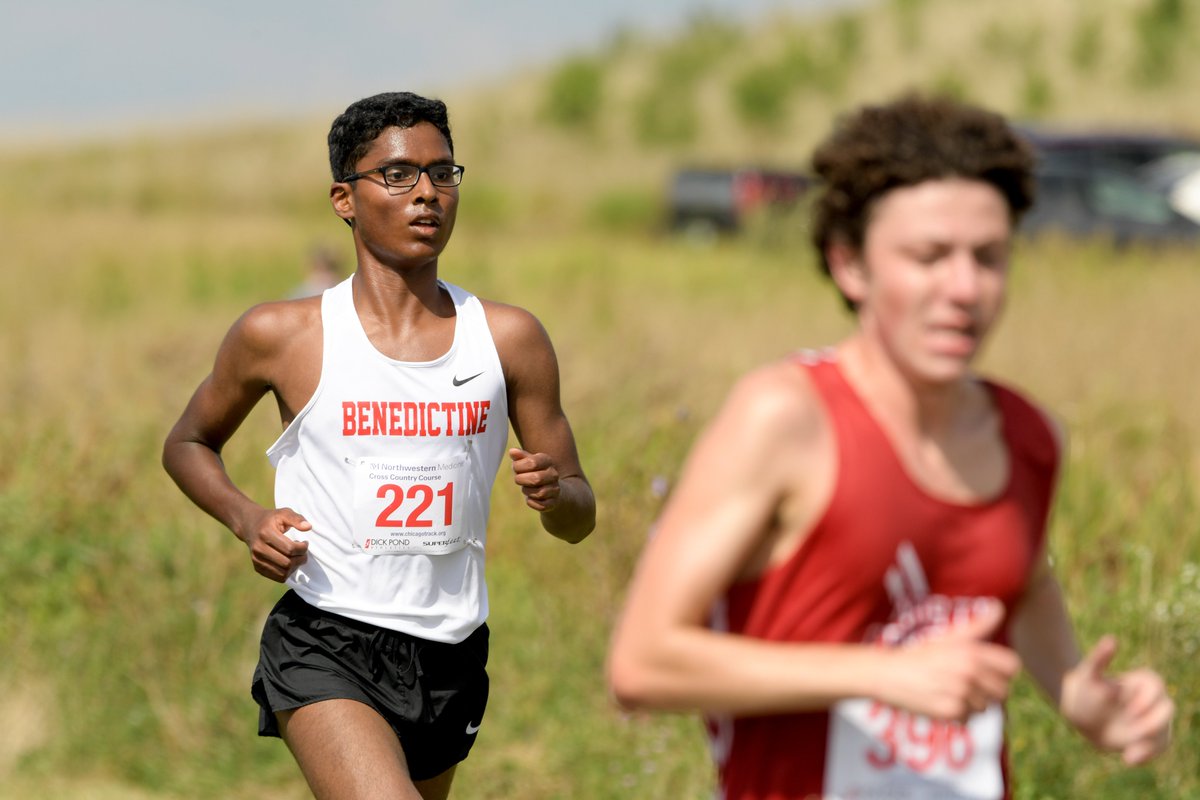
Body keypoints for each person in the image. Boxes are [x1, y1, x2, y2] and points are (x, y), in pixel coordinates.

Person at [606, 94, 1173, 799]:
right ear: (851, 266)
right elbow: (641, 664)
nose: (964, 289)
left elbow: (1014, 584)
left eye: (989, 258)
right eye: (929, 257)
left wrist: (1082, 700)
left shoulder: (1029, 436)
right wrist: (880, 673)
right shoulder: (786, 418)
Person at [163, 91, 595, 800]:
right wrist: (248, 519)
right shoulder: (283, 335)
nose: (427, 193)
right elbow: (187, 443)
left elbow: (581, 515)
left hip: (451, 651)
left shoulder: (510, 339)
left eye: (443, 173)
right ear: (345, 198)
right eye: (398, 175)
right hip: (325, 637)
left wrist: (555, 496)